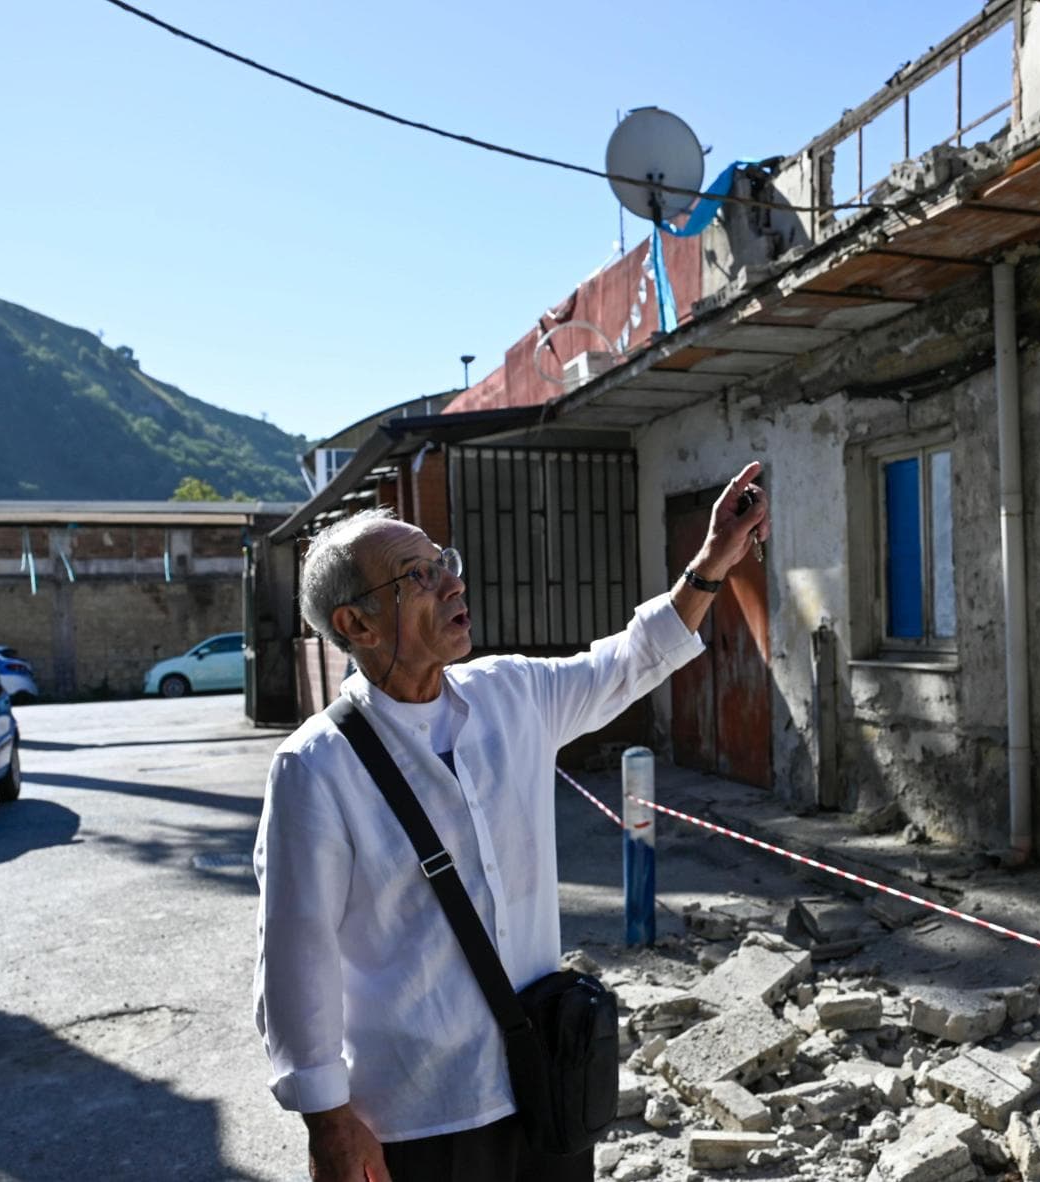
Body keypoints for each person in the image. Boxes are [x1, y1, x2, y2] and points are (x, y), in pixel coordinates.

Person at [255, 462, 771, 1182]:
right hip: (421, 1114)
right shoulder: (316, 768)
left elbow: (629, 659)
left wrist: (713, 561)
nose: (452, 583)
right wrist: (329, 1121)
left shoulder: (511, 696)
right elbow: (295, 956)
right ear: (356, 623)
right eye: (419, 576)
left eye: (446, 564)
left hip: (547, 1086)